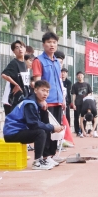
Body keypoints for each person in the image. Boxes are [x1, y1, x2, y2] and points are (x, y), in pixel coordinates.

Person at [3, 80, 64, 170]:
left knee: (44, 127)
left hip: (18, 132)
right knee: (40, 132)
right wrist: (52, 127)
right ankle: (37, 162)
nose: (45, 94)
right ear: (35, 90)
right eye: (43, 90)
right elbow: (34, 124)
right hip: (12, 134)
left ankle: (45, 157)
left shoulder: (34, 102)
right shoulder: (29, 104)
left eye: (47, 91)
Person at [31, 32, 65, 164]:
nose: (52, 45)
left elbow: (59, 81)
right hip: (47, 101)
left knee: (56, 129)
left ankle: (52, 154)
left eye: (54, 42)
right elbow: (37, 82)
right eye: (49, 42)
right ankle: (44, 157)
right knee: (45, 129)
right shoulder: (38, 61)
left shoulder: (56, 62)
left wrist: (62, 98)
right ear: (43, 44)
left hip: (58, 100)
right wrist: (41, 100)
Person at [1, 40, 28, 116]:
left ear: (25, 49)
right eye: (17, 48)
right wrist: (16, 84)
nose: (20, 49)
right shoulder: (14, 63)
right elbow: (4, 75)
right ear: (13, 51)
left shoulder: (24, 64)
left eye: (21, 47)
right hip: (16, 98)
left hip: (24, 96)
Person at [71, 71, 92, 137]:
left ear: (83, 76)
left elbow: (90, 93)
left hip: (85, 104)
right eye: (78, 75)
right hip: (77, 103)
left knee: (84, 117)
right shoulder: (75, 85)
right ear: (77, 77)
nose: (80, 76)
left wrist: (87, 99)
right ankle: (78, 131)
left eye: (81, 75)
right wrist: (73, 104)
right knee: (76, 117)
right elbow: (74, 95)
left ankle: (83, 130)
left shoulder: (87, 84)